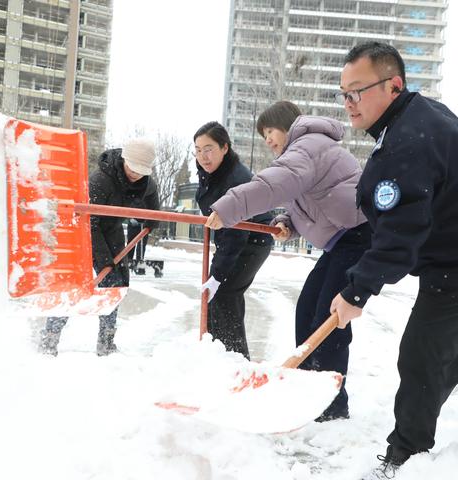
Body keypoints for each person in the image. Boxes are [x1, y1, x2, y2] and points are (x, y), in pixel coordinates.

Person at [330, 41, 458, 479]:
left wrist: (357, 289)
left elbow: (401, 231)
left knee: (421, 357)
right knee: (441, 353)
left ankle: (404, 458)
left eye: (357, 91)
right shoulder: (417, 120)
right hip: (449, 260)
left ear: (393, 85)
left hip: (452, 268)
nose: (348, 103)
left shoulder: (408, 140)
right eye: (343, 93)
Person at [206, 101, 370, 421]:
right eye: (263, 135)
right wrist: (288, 223)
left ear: (287, 125)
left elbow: (273, 183)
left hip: (358, 236)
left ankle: (331, 405)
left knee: (328, 318)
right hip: (342, 242)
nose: (267, 140)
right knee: (308, 309)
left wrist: (228, 208)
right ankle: (308, 390)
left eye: (269, 131)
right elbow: (305, 202)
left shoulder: (307, 145)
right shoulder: (304, 152)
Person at [40, 138, 159, 356]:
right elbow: (89, 224)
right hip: (81, 229)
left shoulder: (145, 182)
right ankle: (49, 339)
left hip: (111, 229)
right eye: (133, 167)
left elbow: (152, 195)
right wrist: (103, 258)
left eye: (141, 170)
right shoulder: (101, 180)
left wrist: (153, 218)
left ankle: (106, 342)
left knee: (114, 285)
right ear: (124, 159)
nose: (136, 174)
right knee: (73, 286)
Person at [194, 121, 273, 360]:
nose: (202, 156)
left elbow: (236, 234)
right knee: (219, 299)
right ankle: (221, 356)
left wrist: (217, 274)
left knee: (225, 296)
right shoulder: (214, 173)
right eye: (197, 150)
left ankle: (237, 360)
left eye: (208, 149)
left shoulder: (235, 179)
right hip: (234, 240)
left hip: (251, 243)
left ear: (224, 148)